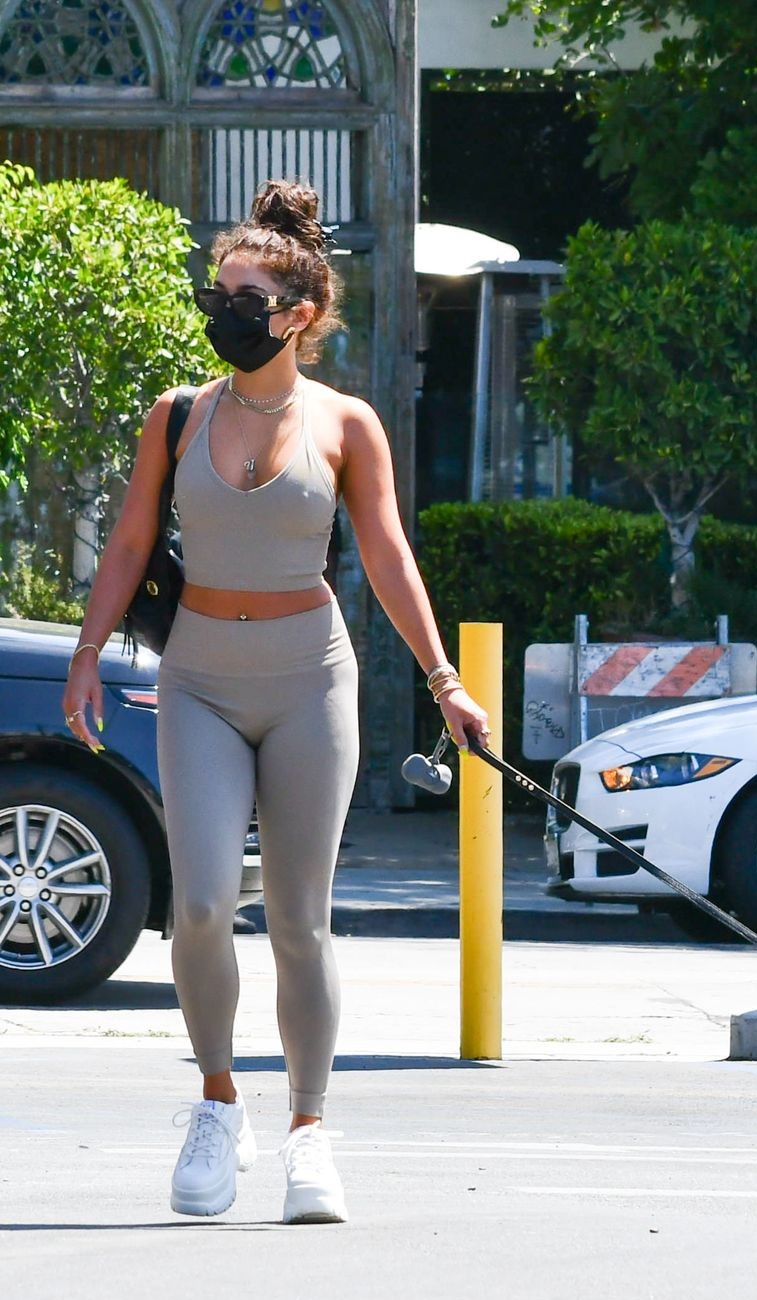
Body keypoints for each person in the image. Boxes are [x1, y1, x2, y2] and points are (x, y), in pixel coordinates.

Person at [63, 180, 489, 1225]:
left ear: (298, 314)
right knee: (202, 905)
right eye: (217, 294)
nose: (222, 312)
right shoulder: (178, 416)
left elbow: (388, 557)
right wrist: (85, 654)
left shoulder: (346, 424)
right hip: (200, 676)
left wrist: (444, 680)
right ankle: (218, 1102)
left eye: (244, 299)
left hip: (310, 678)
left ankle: (309, 1130)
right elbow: (129, 543)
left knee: (301, 919)